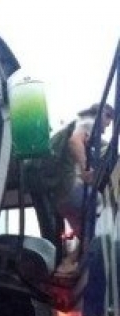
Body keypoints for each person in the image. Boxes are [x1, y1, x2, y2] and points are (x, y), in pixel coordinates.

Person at [55, 102, 115, 269]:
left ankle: (69, 265)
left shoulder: (76, 123)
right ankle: (92, 261)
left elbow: (104, 146)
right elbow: (75, 141)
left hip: (59, 197)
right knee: (102, 204)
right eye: (108, 120)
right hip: (70, 186)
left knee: (84, 234)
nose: (107, 125)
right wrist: (85, 169)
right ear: (102, 114)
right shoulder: (89, 122)